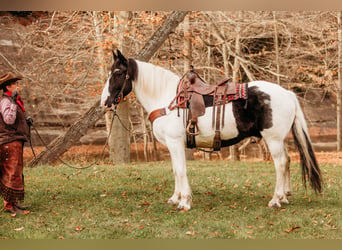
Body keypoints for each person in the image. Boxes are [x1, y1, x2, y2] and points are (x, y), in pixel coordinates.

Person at [0, 72, 33, 214]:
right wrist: (13, 103)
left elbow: (14, 120)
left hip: (14, 139)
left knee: (15, 171)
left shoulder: (13, 100)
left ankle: (13, 202)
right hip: (8, 141)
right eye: (15, 84)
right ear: (8, 86)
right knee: (10, 172)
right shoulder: (6, 101)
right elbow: (8, 120)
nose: (18, 86)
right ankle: (8, 205)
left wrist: (26, 122)